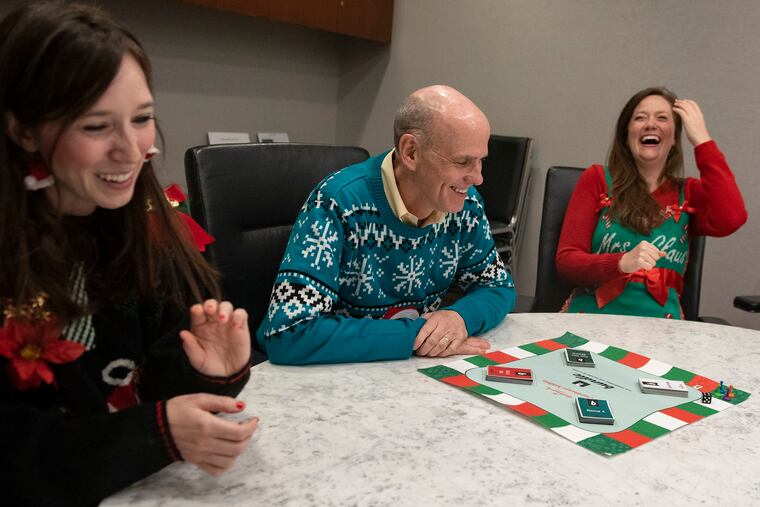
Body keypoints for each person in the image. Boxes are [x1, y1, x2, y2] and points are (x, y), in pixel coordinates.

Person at [0, 3, 258, 504]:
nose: (130, 150)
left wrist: (206, 371)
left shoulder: (140, 227)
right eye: (96, 127)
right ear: (23, 131)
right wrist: (155, 434)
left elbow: (147, 389)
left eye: (142, 119)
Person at [256, 85, 515, 364]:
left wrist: (460, 317)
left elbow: (498, 286)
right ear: (411, 152)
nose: (478, 178)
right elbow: (288, 332)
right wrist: (417, 335)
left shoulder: (465, 204)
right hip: (331, 376)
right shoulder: (337, 202)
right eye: (463, 161)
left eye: (481, 161)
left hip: (406, 370)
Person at [556, 87, 747, 318]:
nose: (650, 124)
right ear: (626, 136)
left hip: (662, 326)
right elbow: (567, 262)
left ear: (675, 138)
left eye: (662, 118)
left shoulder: (689, 192)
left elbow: (732, 218)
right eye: (640, 118)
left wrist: (702, 140)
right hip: (593, 317)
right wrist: (621, 262)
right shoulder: (597, 179)